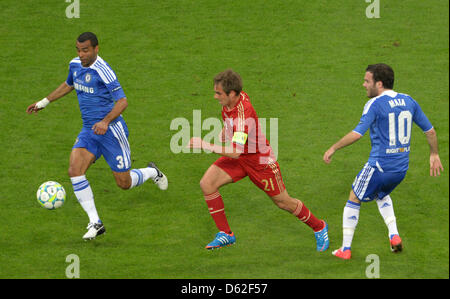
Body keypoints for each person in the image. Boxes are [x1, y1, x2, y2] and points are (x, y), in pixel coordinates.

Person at [26, 32, 168, 240]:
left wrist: (105, 121)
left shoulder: (104, 71)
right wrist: (43, 102)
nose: (81, 54)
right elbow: (69, 84)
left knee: (124, 183)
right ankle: (96, 222)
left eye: (85, 50)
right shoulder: (75, 65)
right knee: (75, 169)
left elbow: (123, 102)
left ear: (96, 49)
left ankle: (151, 172)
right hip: (89, 131)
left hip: (111, 132)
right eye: (78, 49)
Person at [187, 69, 329, 251]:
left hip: (260, 162)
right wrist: (226, 130)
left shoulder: (243, 115)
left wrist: (204, 144)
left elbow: (236, 152)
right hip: (242, 157)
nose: (215, 97)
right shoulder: (235, 99)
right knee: (207, 183)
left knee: (283, 202)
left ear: (231, 94)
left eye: (218, 93)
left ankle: (319, 227)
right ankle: (226, 234)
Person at [323, 63, 444, 260]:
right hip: (401, 169)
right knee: (381, 193)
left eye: (367, 81)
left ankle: (345, 249)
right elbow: (430, 131)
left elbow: (357, 133)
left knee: (354, 196)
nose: (363, 85)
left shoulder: (374, 104)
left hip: (379, 166)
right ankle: (394, 235)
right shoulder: (409, 101)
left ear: (379, 84)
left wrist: (333, 148)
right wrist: (434, 154)